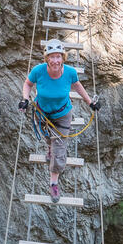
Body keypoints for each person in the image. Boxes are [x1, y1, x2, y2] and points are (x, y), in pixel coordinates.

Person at [19, 39, 101, 203]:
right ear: (46, 58)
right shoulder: (38, 71)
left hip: (63, 114)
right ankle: (49, 147)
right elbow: (28, 84)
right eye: (52, 57)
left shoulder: (70, 72)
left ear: (63, 57)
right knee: (49, 139)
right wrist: (25, 99)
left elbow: (77, 86)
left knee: (59, 150)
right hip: (42, 114)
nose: (55, 60)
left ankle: (53, 182)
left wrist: (90, 102)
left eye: (58, 56)